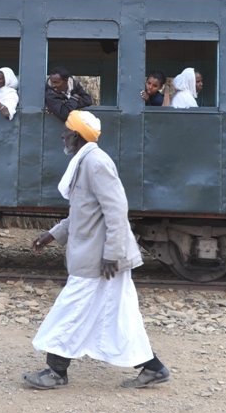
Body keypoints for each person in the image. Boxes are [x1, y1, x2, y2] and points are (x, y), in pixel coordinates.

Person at [23, 110, 170, 390]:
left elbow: (116, 210)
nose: (62, 134)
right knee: (119, 315)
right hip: (98, 254)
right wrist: (51, 235)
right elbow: (83, 212)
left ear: (76, 136)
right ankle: (153, 368)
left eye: (66, 130)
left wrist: (111, 254)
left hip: (101, 258)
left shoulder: (95, 163)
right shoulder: (85, 161)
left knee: (71, 309)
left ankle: (56, 371)